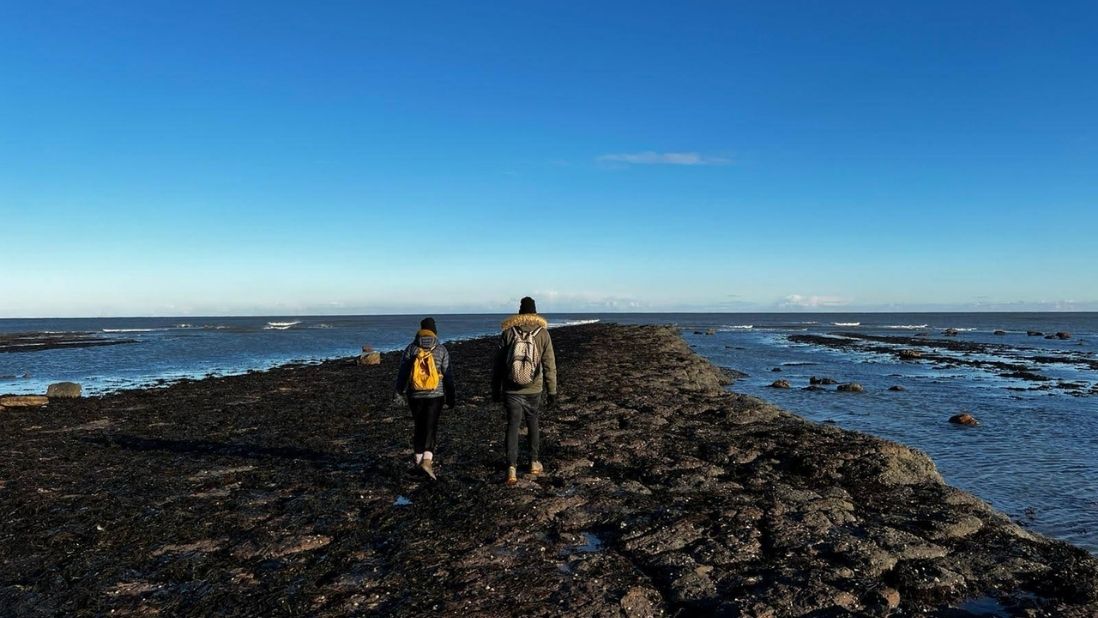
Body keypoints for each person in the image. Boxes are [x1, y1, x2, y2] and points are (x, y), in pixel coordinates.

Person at [491, 297, 557, 485]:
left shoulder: (508, 333)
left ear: (520, 313)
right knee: (532, 423)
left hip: (511, 389)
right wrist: (552, 391)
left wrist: (495, 390)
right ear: (535, 313)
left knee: (512, 426)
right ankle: (534, 463)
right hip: (534, 388)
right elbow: (550, 365)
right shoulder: (543, 334)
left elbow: (498, 365)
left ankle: (511, 468)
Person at [394, 317, 455, 480]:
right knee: (431, 427)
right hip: (436, 395)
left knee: (419, 426)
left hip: (415, 394)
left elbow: (403, 372)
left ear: (420, 330)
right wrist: (451, 396)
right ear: (434, 331)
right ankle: (427, 461)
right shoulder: (441, 349)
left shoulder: (411, 348)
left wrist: (398, 391)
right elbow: (448, 376)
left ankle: (419, 462)